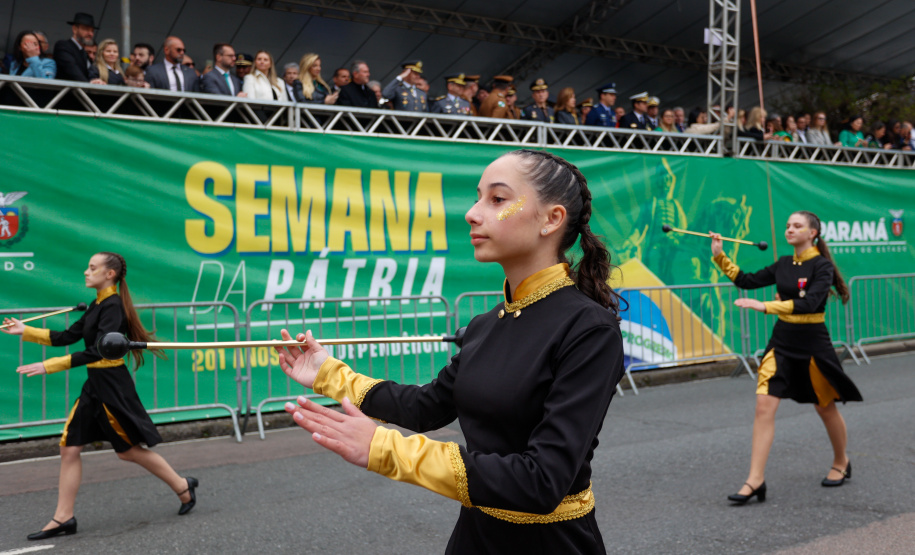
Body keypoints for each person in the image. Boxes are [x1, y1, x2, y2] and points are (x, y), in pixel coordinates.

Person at [274, 149, 625, 554]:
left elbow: (541, 481)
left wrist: (384, 448)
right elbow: (426, 407)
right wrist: (329, 373)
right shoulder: (485, 325)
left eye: (497, 199)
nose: (472, 213)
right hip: (474, 537)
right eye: (478, 197)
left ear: (552, 219)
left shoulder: (589, 330)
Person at [2, 252, 200, 540]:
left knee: (128, 451)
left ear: (110, 274)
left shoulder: (113, 307)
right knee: (70, 448)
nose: (86, 271)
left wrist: (50, 366)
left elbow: (100, 350)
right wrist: (25, 330)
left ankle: (183, 485)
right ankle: (63, 518)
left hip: (111, 385)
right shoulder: (97, 305)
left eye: (92, 267)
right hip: (94, 384)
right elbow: (67, 336)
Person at [711, 211, 862, 505]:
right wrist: (720, 256)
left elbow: (810, 304)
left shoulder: (822, 267)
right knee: (763, 405)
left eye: (797, 226)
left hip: (813, 345)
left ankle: (841, 461)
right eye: (787, 225)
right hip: (782, 342)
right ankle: (755, 479)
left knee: (825, 407)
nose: (790, 229)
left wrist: (765, 306)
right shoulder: (783, 264)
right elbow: (746, 280)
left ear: (813, 233)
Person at [53, 12, 96, 81]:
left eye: (92, 31)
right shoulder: (63, 46)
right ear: (75, 29)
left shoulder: (84, 53)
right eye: (86, 29)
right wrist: (89, 86)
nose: (90, 34)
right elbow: (73, 71)